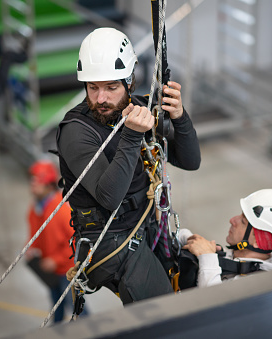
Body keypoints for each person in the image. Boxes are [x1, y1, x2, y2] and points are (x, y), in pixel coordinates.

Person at [57, 27, 201, 305]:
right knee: (164, 311)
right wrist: (133, 135)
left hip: (144, 224)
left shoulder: (139, 110)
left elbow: (190, 161)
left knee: (189, 277)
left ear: (130, 81)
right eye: (93, 87)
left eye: (111, 87)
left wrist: (180, 118)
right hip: (108, 240)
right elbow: (109, 198)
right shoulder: (76, 131)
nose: (101, 99)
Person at [179, 189, 272, 288]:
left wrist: (207, 257)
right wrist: (189, 239)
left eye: (243, 221)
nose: (232, 220)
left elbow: (212, 306)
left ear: (257, 241)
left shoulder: (260, 286)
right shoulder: (238, 260)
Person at [25, 160, 79, 323]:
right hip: (51, 271)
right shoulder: (36, 209)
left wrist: (55, 260)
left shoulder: (61, 209)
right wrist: (31, 247)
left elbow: (76, 242)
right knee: (57, 306)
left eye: (37, 180)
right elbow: (37, 235)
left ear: (48, 185)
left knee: (78, 309)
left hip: (66, 271)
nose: (32, 184)